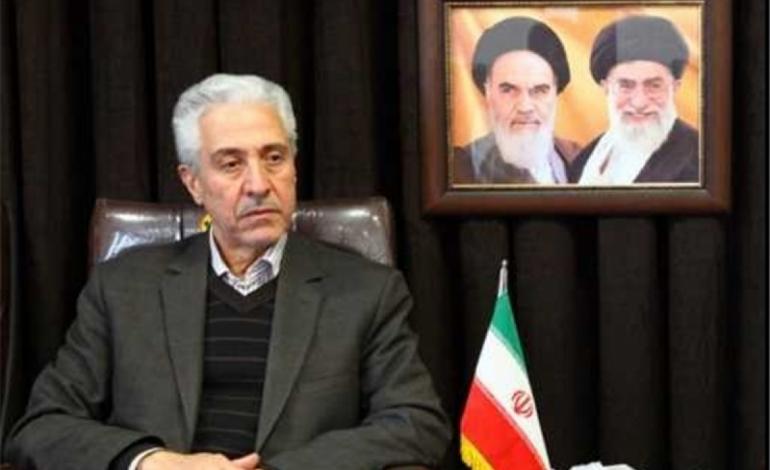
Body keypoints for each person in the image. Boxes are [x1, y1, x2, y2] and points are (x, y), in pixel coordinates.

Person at [6, 74, 451, 469]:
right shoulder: (123, 288)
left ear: (294, 168)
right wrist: (152, 462)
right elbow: (42, 426)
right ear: (193, 183)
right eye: (231, 163)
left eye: (274, 157)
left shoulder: (365, 292)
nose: (259, 184)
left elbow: (416, 422)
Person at [568, 15, 700, 185]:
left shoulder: (700, 160)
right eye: (626, 86)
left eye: (654, 86)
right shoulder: (584, 160)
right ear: (606, 87)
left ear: (675, 87)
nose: (639, 103)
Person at [453, 17, 580, 185]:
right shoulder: (460, 169)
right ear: (488, 92)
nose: (525, 107)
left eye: (539, 91)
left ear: (556, 92)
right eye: (509, 90)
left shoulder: (580, 158)